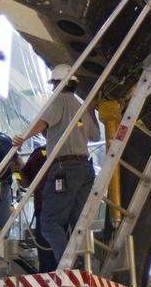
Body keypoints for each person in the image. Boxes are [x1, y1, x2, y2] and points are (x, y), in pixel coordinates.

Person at [12, 64, 98, 268]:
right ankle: (82, 265)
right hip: (85, 170)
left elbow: (44, 121)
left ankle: (69, 265)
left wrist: (22, 137)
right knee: (76, 223)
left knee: (49, 224)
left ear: (58, 84)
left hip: (64, 168)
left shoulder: (59, 99)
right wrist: (92, 109)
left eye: (53, 84)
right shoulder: (80, 108)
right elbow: (95, 135)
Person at [19, 145, 52, 271]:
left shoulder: (65, 150)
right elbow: (24, 183)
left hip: (57, 206)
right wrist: (16, 172)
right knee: (44, 247)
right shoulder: (37, 153)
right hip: (42, 206)